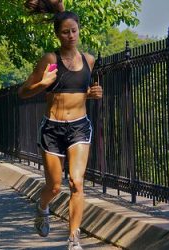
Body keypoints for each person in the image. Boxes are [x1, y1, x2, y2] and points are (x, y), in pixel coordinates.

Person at [18, 1, 103, 249]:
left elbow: (79, 90)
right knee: (54, 186)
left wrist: (92, 94)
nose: (70, 36)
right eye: (65, 32)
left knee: (77, 183)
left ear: (79, 31)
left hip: (79, 127)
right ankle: (42, 207)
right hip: (52, 129)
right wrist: (42, 84)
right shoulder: (50, 59)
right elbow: (23, 92)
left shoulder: (89, 60)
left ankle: (73, 238)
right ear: (58, 34)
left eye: (74, 31)